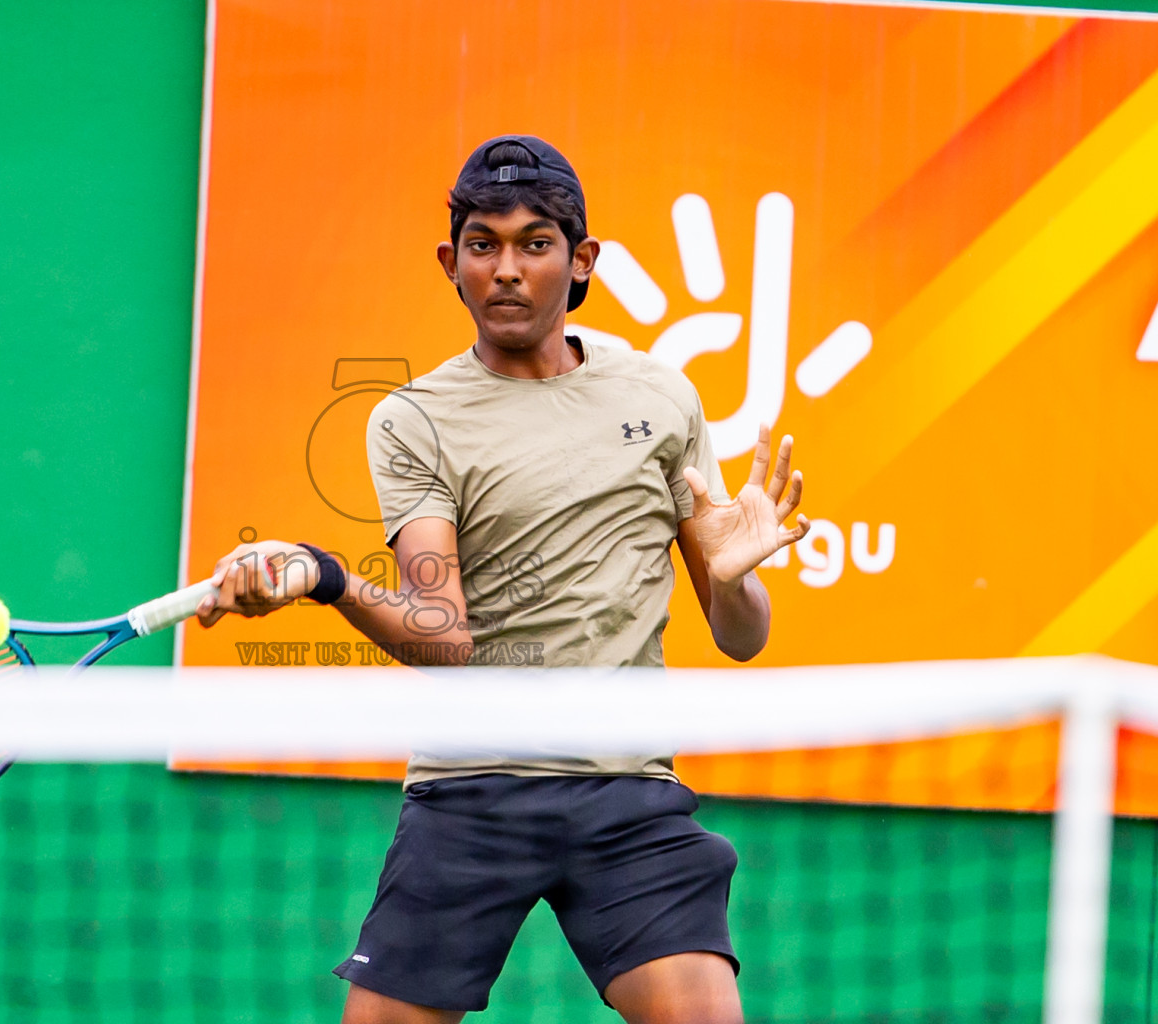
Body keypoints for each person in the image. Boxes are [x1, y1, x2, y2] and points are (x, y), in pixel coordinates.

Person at [195, 134, 809, 1024]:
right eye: (483, 245)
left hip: (626, 788)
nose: (508, 269)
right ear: (452, 263)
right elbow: (443, 638)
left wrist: (731, 575)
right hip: (473, 787)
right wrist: (326, 577)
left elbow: (741, 636)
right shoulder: (415, 422)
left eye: (535, 243)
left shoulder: (661, 398)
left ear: (582, 259)